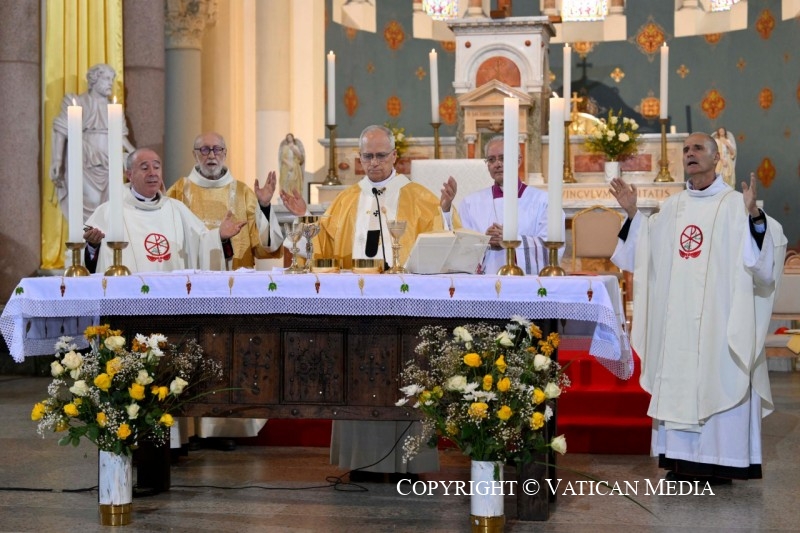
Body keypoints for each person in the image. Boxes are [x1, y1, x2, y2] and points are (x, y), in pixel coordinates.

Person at [609, 132, 787, 485]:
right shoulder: (673, 208)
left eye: (698, 149)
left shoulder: (738, 204)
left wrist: (755, 216)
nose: (690, 154)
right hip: (678, 327)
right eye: (686, 150)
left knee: (721, 370)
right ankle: (681, 462)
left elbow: (767, 256)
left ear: (717, 158)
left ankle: (724, 460)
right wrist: (632, 213)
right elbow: (645, 250)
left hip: (721, 323)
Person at [284, 124, 458, 480]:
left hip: (407, 312)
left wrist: (444, 211)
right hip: (357, 313)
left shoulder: (419, 196)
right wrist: (305, 220)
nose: (375, 163)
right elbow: (322, 253)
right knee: (358, 378)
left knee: (406, 377)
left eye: (381, 155)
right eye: (368, 156)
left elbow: (445, 249)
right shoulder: (347, 200)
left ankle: (410, 463)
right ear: (359, 159)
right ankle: (361, 461)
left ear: (395, 156)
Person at [166, 132, 306, 451]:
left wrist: (266, 206)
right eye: (204, 149)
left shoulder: (243, 192)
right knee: (193, 354)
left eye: (217, 149)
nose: (211, 154)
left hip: (234, 290)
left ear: (226, 153)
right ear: (194, 154)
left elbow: (266, 247)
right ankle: (191, 429)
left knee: (228, 354)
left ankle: (225, 426)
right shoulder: (178, 192)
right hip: (193, 290)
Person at [83, 148, 245, 274]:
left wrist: (219, 237)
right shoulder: (109, 212)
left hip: (173, 301)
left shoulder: (176, 209)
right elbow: (86, 264)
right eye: (145, 168)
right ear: (129, 174)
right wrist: (93, 247)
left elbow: (202, 244)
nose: (152, 173)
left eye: (157, 167)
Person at [459, 135, 564, 274]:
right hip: (485, 285)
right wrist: (484, 242)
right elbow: (461, 248)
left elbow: (552, 247)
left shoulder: (544, 201)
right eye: (491, 160)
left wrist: (511, 240)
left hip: (527, 286)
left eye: (503, 158)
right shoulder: (470, 203)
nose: (497, 164)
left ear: (518, 161)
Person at [51, 64, 136, 222]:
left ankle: (103, 243)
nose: (110, 83)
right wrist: (57, 160)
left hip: (110, 162)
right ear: (94, 80)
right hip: (84, 161)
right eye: (106, 78)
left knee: (110, 204)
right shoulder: (77, 102)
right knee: (91, 200)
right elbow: (62, 129)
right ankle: (85, 242)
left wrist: (135, 155)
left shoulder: (114, 108)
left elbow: (121, 137)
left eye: (111, 79)